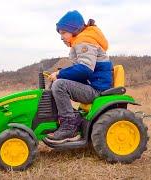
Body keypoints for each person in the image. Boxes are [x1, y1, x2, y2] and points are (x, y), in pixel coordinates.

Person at [45, 10, 113, 144]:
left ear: (74, 30)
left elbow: (85, 70)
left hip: (96, 89)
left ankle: (69, 126)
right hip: (91, 85)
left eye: (64, 33)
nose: (61, 37)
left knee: (59, 84)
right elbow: (81, 70)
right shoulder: (82, 41)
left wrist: (60, 74)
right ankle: (66, 118)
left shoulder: (85, 42)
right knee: (56, 83)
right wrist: (61, 74)